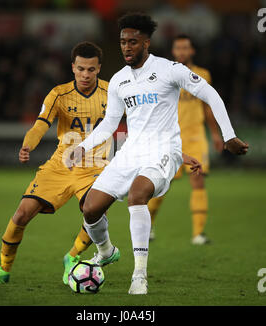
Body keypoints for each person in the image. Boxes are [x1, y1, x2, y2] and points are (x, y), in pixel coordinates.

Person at [66, 12, 248, 295]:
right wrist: (82, 147)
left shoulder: (169, 69)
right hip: (131, 151)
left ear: (146, 43)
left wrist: (229, 136)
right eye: (123, 42)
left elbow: (209, 93)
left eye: (133, 42)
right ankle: (106, 251)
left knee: (138, 196)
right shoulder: (118, 80)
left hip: (164, 150)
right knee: (89, 207)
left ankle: (139, 275)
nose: (126, 47)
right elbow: (111, 124)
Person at [0, 41, 115, 285]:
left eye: (91, 69)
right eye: (81, 69)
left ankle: (72, 257)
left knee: (94, 210)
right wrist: (27, 145)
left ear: (99, 69)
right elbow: (41, 124)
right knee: (22, 214)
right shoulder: (59, 94)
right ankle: (3, 269)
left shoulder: (113, 92)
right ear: (73, 68)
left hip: (96, 165)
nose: (85, 74)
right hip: (61, 165)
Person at [148, 34, 224, 244]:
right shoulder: (164, 74)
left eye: (185, 48)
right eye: (178, 48)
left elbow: (207, 107)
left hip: (196, 136)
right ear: (173, 51)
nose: (182, 52)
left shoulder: (203, 75)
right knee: (161, 183)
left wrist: (216, 134)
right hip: (171, 137)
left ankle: (198, 233)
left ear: (192, 51)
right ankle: (149, 226)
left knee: (198, 181)